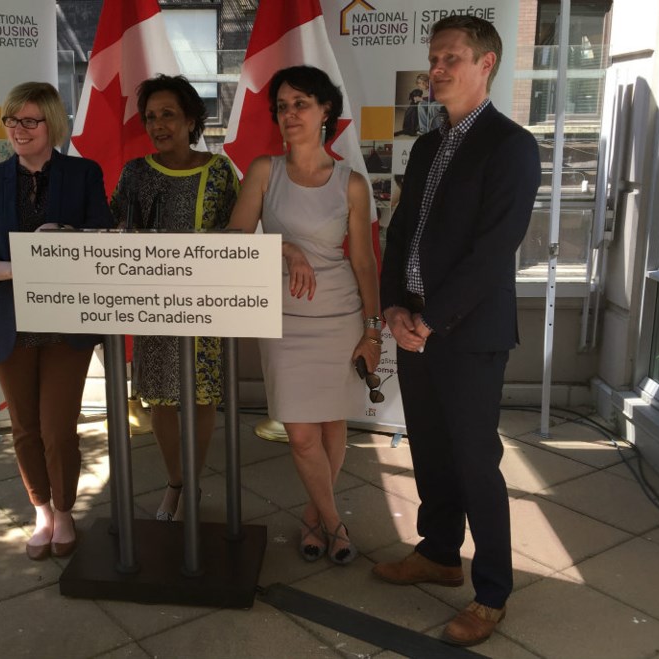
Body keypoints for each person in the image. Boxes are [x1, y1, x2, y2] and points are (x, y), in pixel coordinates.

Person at [372, 16, 541, 646]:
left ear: (486, 63)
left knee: (476, 462)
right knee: (430, 452)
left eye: (450, 59)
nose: (435, 70)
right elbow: (400, 235)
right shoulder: (425, 145)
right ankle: (440, 553)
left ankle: (492, 592)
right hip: (415, 324)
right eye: (433, 58)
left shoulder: (511, 146)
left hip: (467, 333)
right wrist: (393, 308)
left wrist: (431, 320)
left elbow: (494, 250)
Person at [227, 66, 380, 565]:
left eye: (301, 103)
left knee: (333, 424)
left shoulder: (351, 183)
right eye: (282, 105)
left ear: (325, 111)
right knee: (300, 432)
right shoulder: (263, 171)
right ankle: (336, 523)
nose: (289, 114)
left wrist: (373, 330)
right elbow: (235, 240)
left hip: (340, 316)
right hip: (284, 318)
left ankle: (315, 519)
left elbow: (363, 261)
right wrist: (285, 247)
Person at [0, 82, 114, 560]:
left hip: (66, 325)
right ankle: (41, 511)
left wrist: (65, 237)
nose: (19, 130)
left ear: (52, 123)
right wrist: (22, 266)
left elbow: (102, 238)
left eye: (30, 120)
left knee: (58, 427)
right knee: (25, 427)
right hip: (9, 325)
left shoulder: (83, 173)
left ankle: (65, 509)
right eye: (12, 120)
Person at [109, 74, 240, 522]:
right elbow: (117, 235)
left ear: (190, 119)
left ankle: (194, 482)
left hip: (205, 308)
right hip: (153, 306)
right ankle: (176, 483)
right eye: (151, 117)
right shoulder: (135, 173)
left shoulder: (220, 171)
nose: (159, 125)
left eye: (168, 115)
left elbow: (237, 239)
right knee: (160, 398)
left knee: (201, 397)